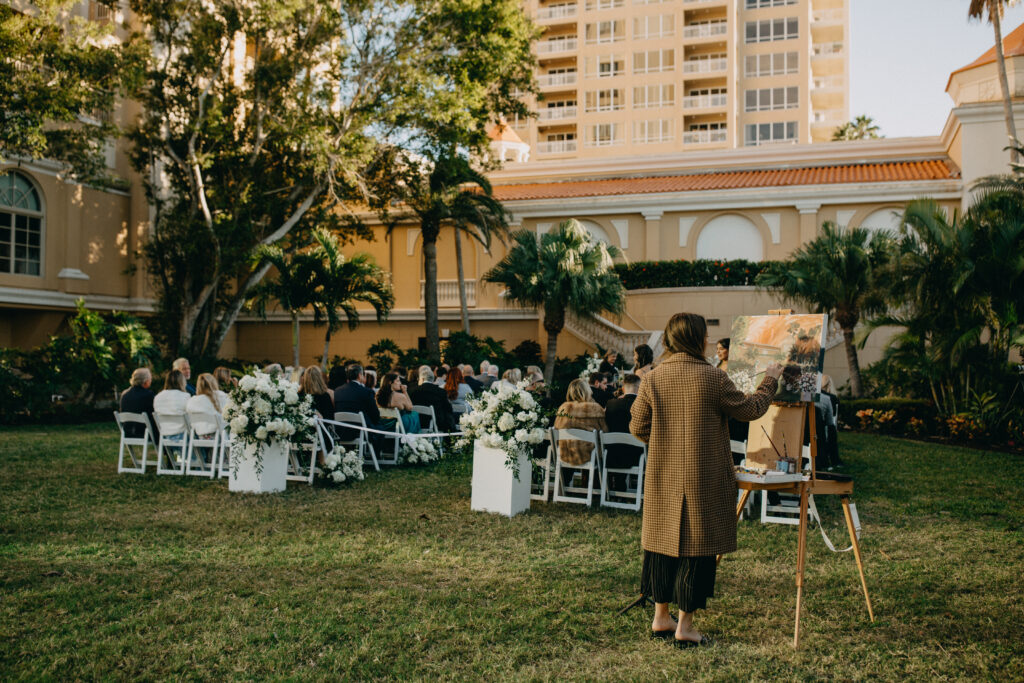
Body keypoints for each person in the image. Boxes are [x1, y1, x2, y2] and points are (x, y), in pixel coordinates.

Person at [630, 312, 781, 647]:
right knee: (698, 548)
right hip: (704, 477)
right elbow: (752, 409)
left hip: (663, 478)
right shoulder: (712, 378)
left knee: (661, 545)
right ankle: (684, 626)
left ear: (669, 341)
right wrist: (770, 380)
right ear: (698, 340)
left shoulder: (652, 378)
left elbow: (637, 427)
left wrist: (665, 443)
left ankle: (660, 618)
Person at [553, 378, 607, 475]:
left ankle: (564, 485)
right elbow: (604, 433)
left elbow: (556, 430)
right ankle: (594, 485)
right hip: (589, 455)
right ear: (587, 391)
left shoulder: (564, 408)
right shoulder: (596, 408)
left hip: (566, 453)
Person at [604, 374, 643, 483]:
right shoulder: (641, 405)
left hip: (612, 454)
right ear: (639, 388)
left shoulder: (610, 404)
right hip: (636, 456)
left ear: (623, 388)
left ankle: (618, 485)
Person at [333, 364, 381, 440]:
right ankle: (375, 452)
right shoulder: (366, 391)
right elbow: (375, 415)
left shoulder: (337, 391)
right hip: (360, 431)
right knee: (380, 429)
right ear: (359, 375)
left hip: (340, 431)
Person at [409, 365, 455, 432]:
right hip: (437, 424)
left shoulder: (413, 391)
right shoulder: (441, 392)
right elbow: (448, 408)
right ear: (433, 379)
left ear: (422, 379)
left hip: (417, 423)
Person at [119, 367, 157, 438]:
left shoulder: (124, 394)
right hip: (145, 433)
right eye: (150, 378)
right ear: (145, 381)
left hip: (127, 433)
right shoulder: (148, 395)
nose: (151, 380)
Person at [153, 369, 190, 439]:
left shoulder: (157, 397)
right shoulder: (185, 396)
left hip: (165, 436)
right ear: (182, 382)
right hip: (183, 436)